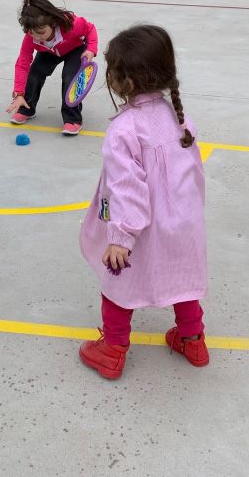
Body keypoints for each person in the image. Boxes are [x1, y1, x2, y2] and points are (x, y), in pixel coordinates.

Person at [78, 25, 208, 380]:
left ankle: (112, 349)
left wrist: (121, 237)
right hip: (181, 222)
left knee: (119, 285)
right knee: (183, 280)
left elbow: (126, 187)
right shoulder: (179, 118)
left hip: (139, 228)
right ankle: (193, 340)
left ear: (127, 81)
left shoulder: (124, 129)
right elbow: (193, 175)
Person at [5, 0, 98, 135]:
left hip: (75, 49)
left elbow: (90, 29)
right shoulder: (31, 37)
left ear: (53, 23)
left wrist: (91, 49)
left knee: (69, 78)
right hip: (49, 51)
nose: (37, 37)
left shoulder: (72, 24)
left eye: (41, 32)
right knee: (34, 73)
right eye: (32, 33)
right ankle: (26, 108)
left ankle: (72, 119)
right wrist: (18, 93)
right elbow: (22, 64)